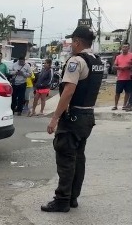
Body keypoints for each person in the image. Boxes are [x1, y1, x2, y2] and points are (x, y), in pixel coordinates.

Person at [41, 26, 104, 213]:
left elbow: (68, 91)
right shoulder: (96, 61)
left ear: (77, 42)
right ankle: (72, 197)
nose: (70, 46)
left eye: (72, 42)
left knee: (66, 157)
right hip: (87, 116)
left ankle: (62, 200)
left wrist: (54, 118)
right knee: (78, 158)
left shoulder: (76, 61)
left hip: (74, 116)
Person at [112, 42, 132, 110]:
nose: (124, 48)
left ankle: (124, 105)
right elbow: (114, 66)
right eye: (123, 47)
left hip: (129, 77)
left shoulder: (131, 55)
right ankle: (115, 105)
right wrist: (119, 67)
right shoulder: (118, 57)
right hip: (120, 78)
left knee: (128, 92)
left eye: (126, 47)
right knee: (117, 92)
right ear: (121, 48)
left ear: (128, 48)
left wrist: (128, 66)